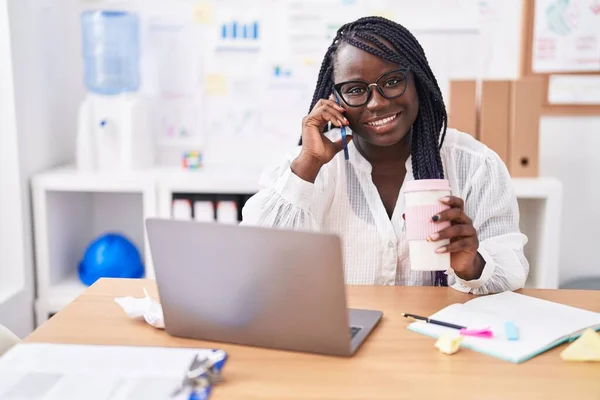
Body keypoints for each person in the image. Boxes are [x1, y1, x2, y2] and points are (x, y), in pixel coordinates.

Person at [241, 16, 528, 294]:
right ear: (334, 100)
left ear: (419, 81)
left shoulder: (476, 165)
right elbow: (255, 263)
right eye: (355, 90)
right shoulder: (310, 166)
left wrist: (472, 265)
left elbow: (512, 271)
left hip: (439, 336)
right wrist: (309, 162)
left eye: (392, 82)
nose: (377, 103)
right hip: (342, 335)